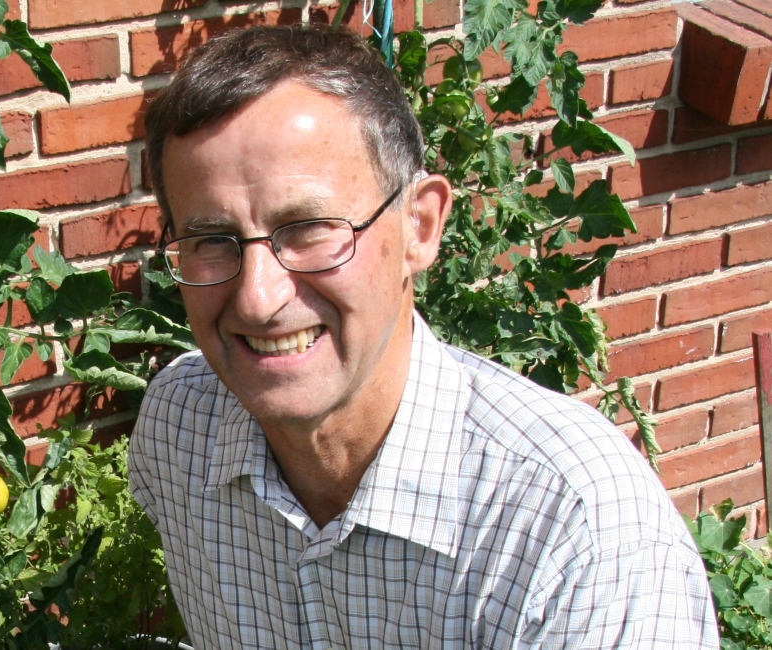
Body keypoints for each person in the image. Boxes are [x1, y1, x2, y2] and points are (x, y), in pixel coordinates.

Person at [128, 25, 718, 649]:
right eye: (212, 241)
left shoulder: (576, 537)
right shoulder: (179, 428)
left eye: (307, 228)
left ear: (420, 225)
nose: (257, 296)